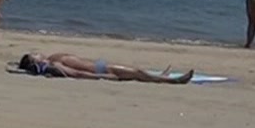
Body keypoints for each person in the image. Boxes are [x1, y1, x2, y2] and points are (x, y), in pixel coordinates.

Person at [17, 52, 194, 83]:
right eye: (36, 55)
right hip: (101, 70)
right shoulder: (54, 64)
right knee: (136, 72)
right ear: (37, 62)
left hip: (100, 65)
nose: (39, 53)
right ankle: (173, 81)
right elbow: (78, 74)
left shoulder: (53, 58)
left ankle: (160, 77)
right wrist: (104, 77)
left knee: (135, 71)